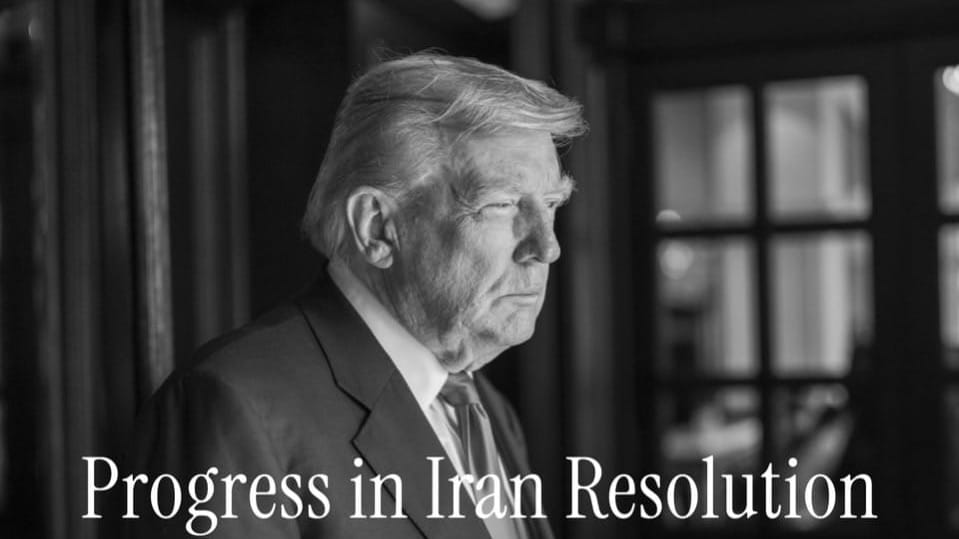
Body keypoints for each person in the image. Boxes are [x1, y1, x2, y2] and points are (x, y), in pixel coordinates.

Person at [124, 52, 586, 539]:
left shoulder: (485, 406)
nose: (547, 247)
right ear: (377, 228)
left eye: (551, 203)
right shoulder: (232, 403)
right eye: (502, 204)